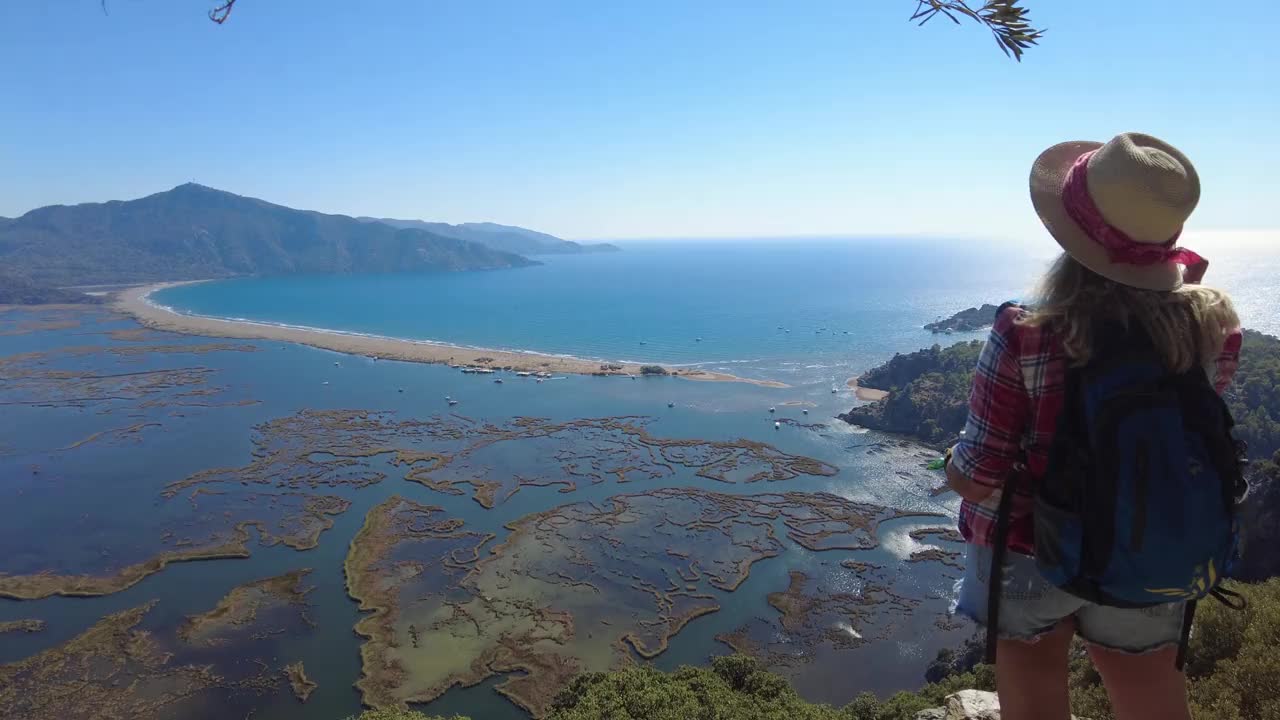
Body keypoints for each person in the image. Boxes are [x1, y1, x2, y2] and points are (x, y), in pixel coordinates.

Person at [944, 132, 1243, 720]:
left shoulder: (1025, 330)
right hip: (1153, 543)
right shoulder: (1214, 332)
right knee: (1151, 697)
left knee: (1032, 699)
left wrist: (950, 467)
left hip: (1029, 546)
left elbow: (979, 477)